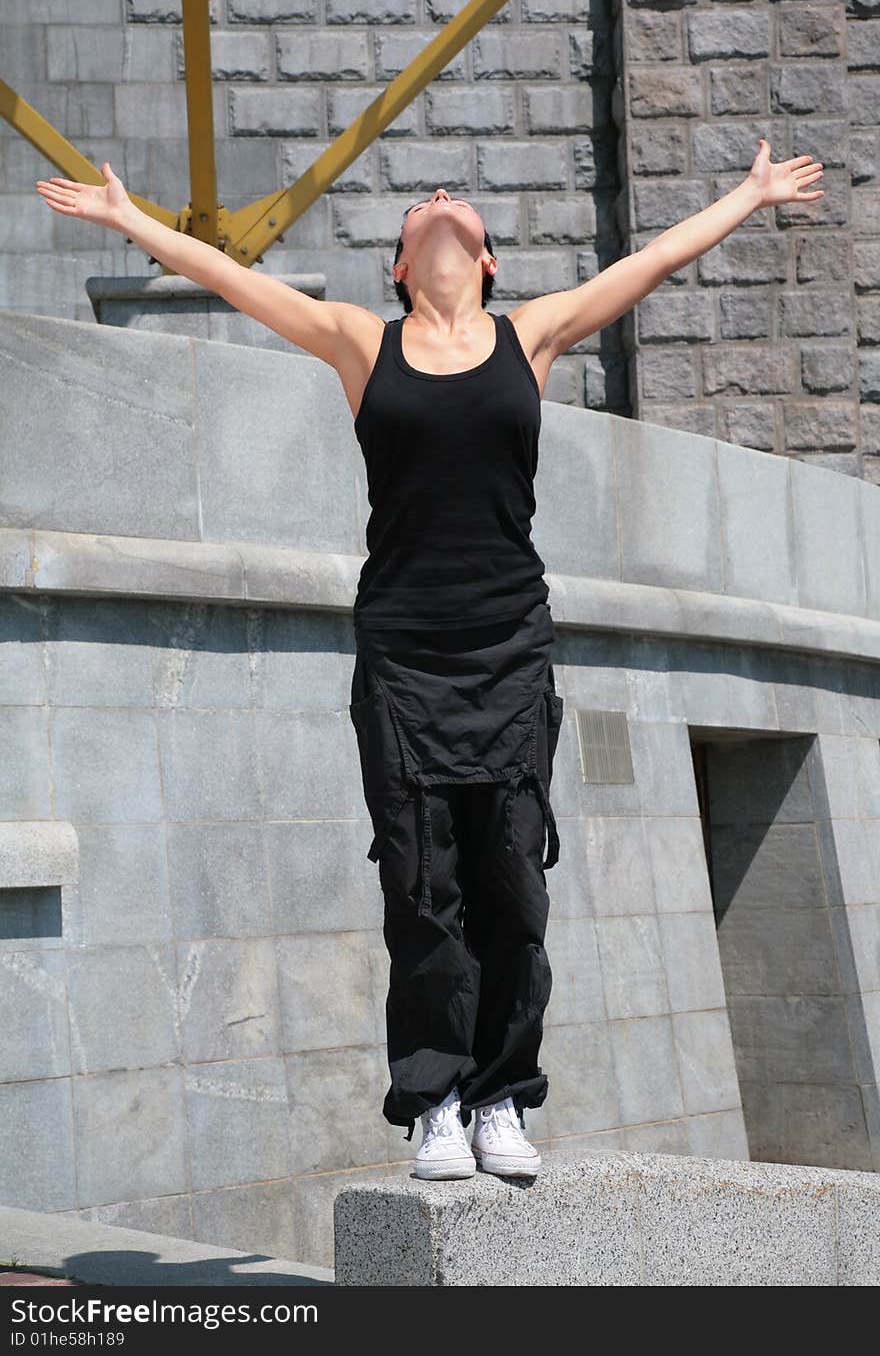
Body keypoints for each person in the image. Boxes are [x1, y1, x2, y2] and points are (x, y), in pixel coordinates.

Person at [36, 141, 823, 1181]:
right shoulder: (363, 342)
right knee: (422, 888)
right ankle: (436, 1101)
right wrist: (134, 222)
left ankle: (501, 1095)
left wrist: (749, 192)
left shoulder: (528, 335)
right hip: (406, 656)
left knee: (511, 888)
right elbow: (233, 276)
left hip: (506, 651)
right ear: (401, 266)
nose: (440, 202)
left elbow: (650, 267)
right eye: (420, 207)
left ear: (489, 260)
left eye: (457, 201)